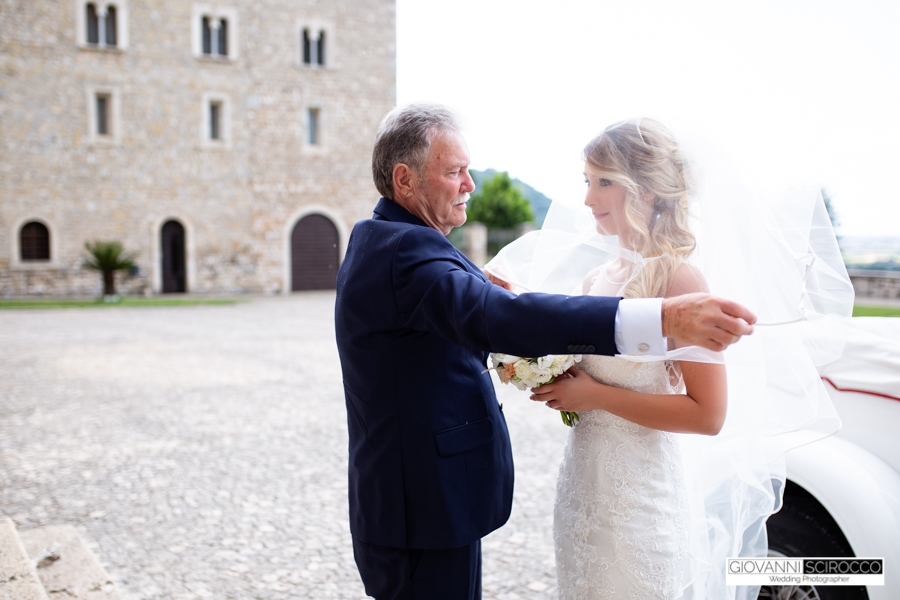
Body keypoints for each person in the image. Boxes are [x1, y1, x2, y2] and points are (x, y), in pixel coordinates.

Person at [333, 103, 755, 600]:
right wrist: (661, 318)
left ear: (643, 189)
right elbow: (497, 316)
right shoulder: (406, 251)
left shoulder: (391, 241)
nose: (470, 184)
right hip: (427, 507)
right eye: (455, 172)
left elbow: (477, 309)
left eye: (601, 181)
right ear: (405, 180)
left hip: (631, 497)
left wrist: (577, 379)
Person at [510, 119, 852, 599]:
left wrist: (594, 395)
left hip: (639, 503)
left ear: (646, 192)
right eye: (587, 181)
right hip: (583, 490)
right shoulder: (595, 279)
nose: (588, 199)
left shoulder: (680, 281)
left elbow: (708, 415)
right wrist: (541, 367)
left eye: (604, 182)